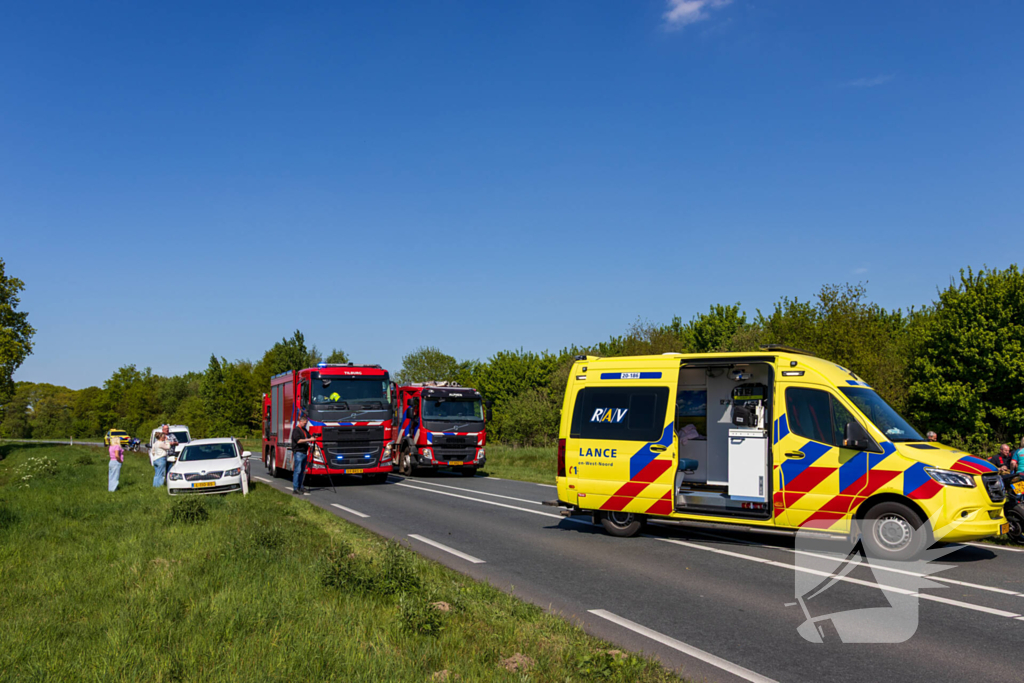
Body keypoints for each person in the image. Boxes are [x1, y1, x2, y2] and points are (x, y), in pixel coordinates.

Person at [291, 413, 315, 495]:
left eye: (306, 423)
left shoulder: (304, 430)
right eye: (304, 423)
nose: (305, 425)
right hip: (298, 452)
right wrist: (308, 440)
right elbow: (298, 441)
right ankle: (295, 488)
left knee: (302, 471)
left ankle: (301, 486)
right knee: (297, 471)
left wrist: (313, 437)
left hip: (304, 452)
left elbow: (308, 436)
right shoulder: (296, 430)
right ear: (301, 421)